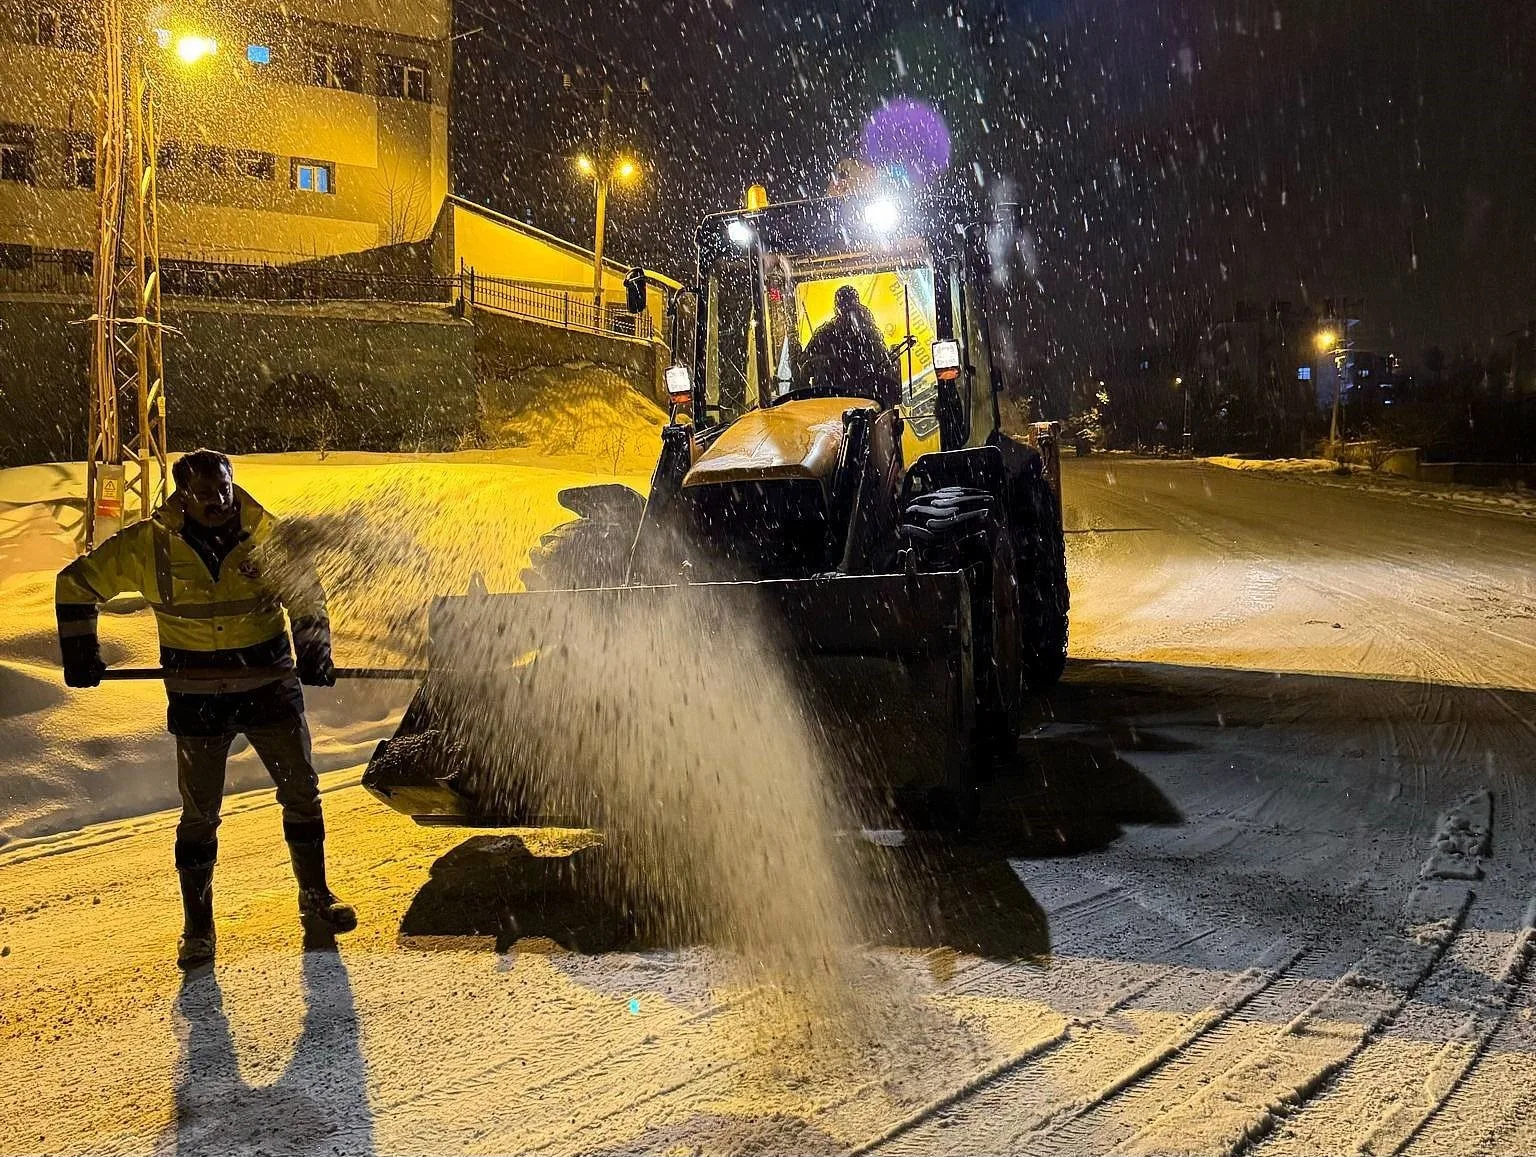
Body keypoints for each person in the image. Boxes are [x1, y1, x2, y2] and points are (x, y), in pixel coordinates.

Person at [56, 449, 355, 970]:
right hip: (198, 700)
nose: (218, 501)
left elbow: (306, 596)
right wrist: (82, 653)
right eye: (204, 494)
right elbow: (75, 584)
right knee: (199, 815)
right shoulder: (149, 546)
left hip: (268, 688)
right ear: (181, 495)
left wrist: (313, 652)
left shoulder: (267, 536)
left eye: (224, 489)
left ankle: (316, 899)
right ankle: (198, 928)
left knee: (302, 793)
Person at [800, 284, 901, 406]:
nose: (848, 313)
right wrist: (823, 363)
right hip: (830, 401)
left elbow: (883, 363)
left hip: (866, 401)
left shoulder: (868, 333)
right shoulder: (825, 334)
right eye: (844, 308)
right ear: (837, 310)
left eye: (850, 307)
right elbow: (805, 365)